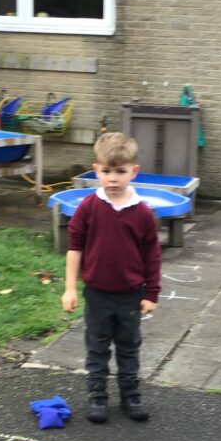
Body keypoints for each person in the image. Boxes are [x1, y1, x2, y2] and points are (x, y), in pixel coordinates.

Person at [62, 132, 161, 424]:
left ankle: (131, 396)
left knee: (129, 347)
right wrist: (70, 288)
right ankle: (97, 396)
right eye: (106, 171)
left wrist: (151, 293)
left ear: (134, 171)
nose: (113, 179)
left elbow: (152, 256)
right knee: (97, 346)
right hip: (97, 294)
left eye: (120, 171)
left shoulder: (143, 213)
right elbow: (74, 248)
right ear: (96, 170)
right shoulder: (88, 208)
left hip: (130, 295)